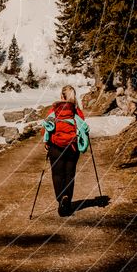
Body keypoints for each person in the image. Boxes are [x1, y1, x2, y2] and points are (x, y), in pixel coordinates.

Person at [42, 85, 89, 217]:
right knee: (69, 173)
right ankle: (67, 201)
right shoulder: (76, 111)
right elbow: (83, 128)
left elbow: (46, 127)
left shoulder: (55, 110)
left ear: (62, 96)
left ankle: (61, 199)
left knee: (57, 174)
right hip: (72, 147)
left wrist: (46, 142)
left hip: (55, 147)